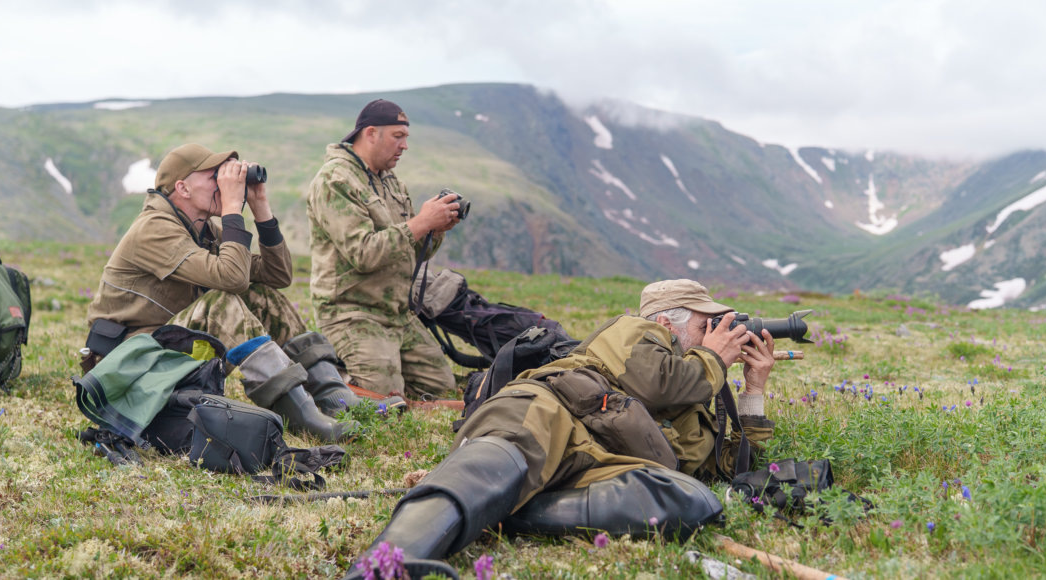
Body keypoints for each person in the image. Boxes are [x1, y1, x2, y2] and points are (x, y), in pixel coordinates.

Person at [344, 279, 778, 579]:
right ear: (667, 323)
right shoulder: (639, 333)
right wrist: (716, 359)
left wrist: (754, 389)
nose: (717, 336)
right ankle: (381, 567)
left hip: (599, 462)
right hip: (547, 412)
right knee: (495, 463)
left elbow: (729, 468)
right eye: (707, 326)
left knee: (691, 501)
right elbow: (658, 384)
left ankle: (506, 510)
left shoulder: (698, 389)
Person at [85, 143, 369, 443]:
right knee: (220, 303)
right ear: (182, 187)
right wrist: (233, 208)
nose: (223, 184)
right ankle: (302, 417)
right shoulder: (154, 228)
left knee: (262, 295)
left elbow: (277, 276)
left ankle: (332, 396)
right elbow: (231, 278)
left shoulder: (201, 229)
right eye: (213, 177)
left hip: (162, 348)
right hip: (128, 365)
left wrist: (260, 208)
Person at [307, 99, 463, 399]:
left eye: (406, 138)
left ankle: (387, 379)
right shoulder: (335, 180)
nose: (404, 146)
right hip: (352, 312)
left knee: (441, 387)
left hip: (395, 312)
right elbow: (364, 254)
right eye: (397, 136)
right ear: (370, 133)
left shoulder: (390, 181)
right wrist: (420, 223)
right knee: (380, 394)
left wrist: (435, 230)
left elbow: (408, 253)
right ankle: (326, 377)